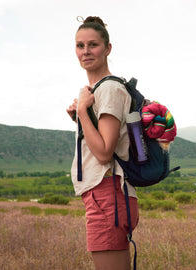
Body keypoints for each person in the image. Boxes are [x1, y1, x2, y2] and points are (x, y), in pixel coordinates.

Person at [66, 16, 139, 270]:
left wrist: (84, 112)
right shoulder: (97, 89)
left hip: (107, 194)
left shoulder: (108, 89)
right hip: (106, 194)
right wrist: (81, 117)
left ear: (108, 48)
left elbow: (105, 152)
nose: (85, 51)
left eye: (93, 45)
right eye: (79, 45)